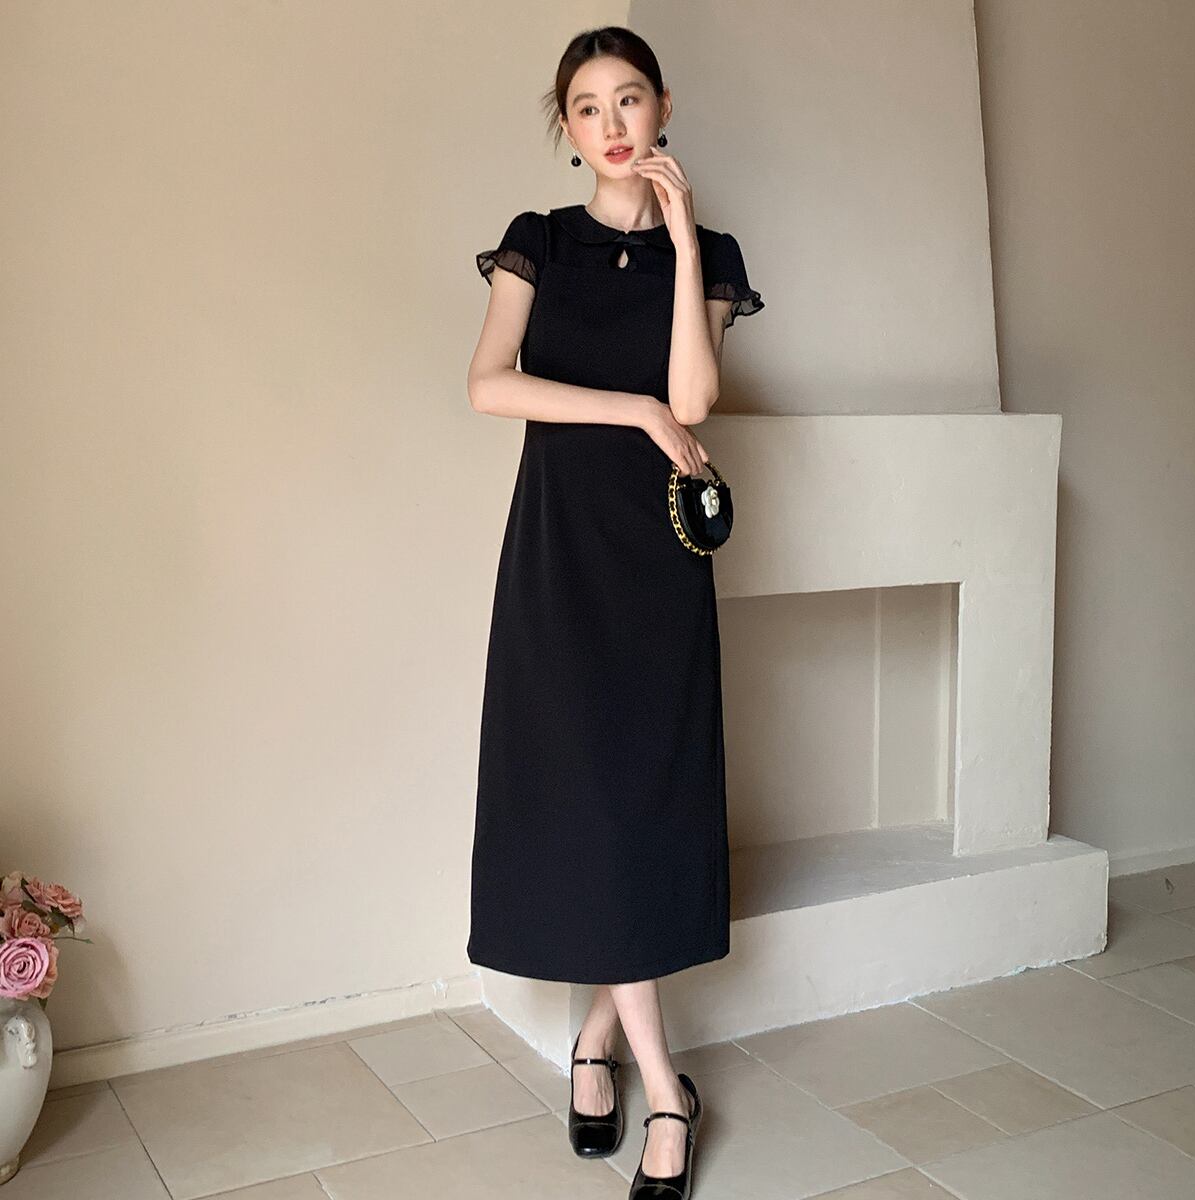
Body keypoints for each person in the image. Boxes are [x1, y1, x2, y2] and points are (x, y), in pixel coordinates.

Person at [466, 25, 763, 1198]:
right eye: (587, 107)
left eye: (629, 99)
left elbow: (695, 394)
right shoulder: (538, 243)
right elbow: (489, 385)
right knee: (586, 796)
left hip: (657, 560)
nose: (611, 123)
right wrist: (633, 414)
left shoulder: (713, 252)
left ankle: (597, 1042)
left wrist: (684, 239)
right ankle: (667, 1089)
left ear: (662, 107)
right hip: (558, 554)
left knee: (639, 801)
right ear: (568, 127)